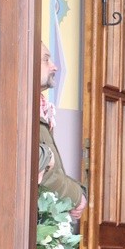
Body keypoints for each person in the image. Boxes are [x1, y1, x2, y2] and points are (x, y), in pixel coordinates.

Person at [39, 42, 87, 220]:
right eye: (46, 60)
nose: (55, 66)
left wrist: (78, 193)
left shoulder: (42, 110)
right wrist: (77, 196)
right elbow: (38, 166)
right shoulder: (23, 109)